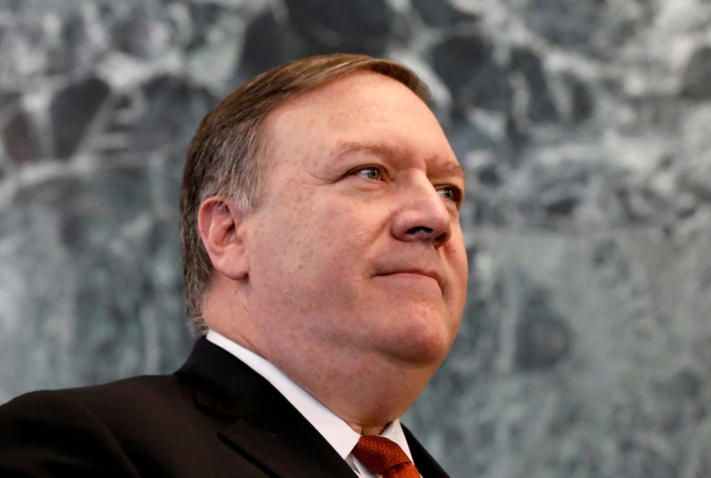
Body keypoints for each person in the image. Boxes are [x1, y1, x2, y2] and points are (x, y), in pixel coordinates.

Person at [0, 53, 468, 477]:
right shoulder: (84, 445)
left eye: (447, 191)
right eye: (370, 172)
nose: (434, 216)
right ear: (229, 233)